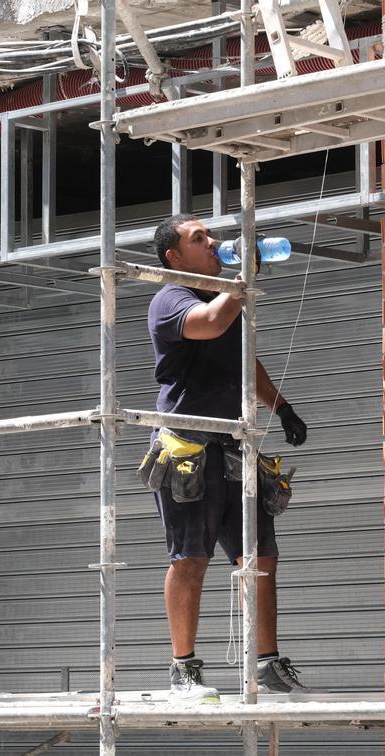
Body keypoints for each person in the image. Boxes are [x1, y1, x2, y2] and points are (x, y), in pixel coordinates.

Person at [146, 213, 309, 703]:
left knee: (260, 556)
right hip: (188, 447)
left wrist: (281, 407)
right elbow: (212, 324)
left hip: (233, 443)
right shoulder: (170, 300)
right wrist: (241, 284)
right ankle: (184, 669)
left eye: (212, 235)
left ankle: (266, 663)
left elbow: (244, 357)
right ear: (175, 257)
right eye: (200, 239)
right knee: (190, 558)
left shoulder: (226, 299)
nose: (214, 242)